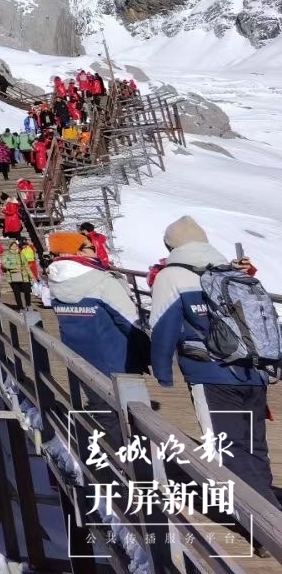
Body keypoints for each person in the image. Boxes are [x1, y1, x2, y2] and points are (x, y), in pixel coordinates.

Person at [150, 215, 278, 506]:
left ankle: (259, 521)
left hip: (210, 373)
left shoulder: (171, 276)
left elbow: (162, 328)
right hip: (253, 370)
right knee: (254, 445)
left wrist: (162, 373)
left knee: (225, 446)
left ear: (171, 246)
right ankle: (269, 507)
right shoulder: (232, 270)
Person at [48, 238, 148, 376]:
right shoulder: (102, 280)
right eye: (92, 248)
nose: (97, 251)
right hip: (118, 362)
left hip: (78, 360)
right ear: (79, 252)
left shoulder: (55, 282)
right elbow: (129, 322)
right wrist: (148, 353)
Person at [3, 236, 36, 310]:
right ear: (10, 247)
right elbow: (4, 264)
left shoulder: (21, 254)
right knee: (17, 293)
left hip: (24, 276)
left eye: (15, 246)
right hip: (13, 276)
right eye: (13, 246)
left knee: (27, 291)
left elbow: (26, 266)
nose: (14, 247)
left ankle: (28, 305)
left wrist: (31, 276)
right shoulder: (6, 254)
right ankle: (20, 307)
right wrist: (14, 267)